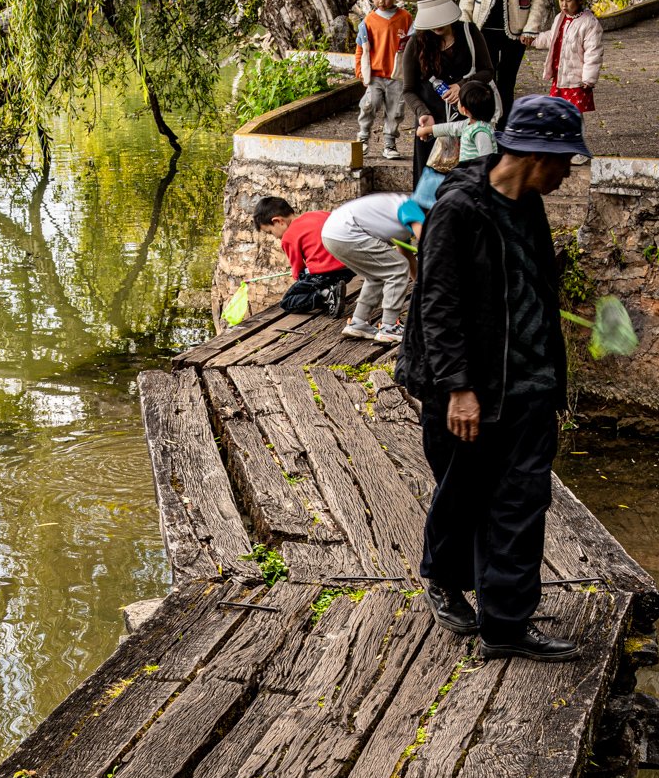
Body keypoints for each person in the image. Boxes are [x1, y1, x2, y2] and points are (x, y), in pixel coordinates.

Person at [395, 95, 592, 662]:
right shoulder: (458, 209)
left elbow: (533, 291)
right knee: (466, 496)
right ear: (536, 155)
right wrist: (458, 388)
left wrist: (552, 380)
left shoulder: (528, 201)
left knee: (522, 502)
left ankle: (505, 628)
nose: (567, 173)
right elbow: (438, 305)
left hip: (528, 385)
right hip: (469, 391)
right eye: (564, 162)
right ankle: (443, 577)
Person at [402, 0, 493, 189]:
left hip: (466, 119)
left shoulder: (469, 32)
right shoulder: (416, 43)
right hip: (431, 123)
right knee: (429, 189)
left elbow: (487, 71)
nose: (436, 26)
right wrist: (422, 113)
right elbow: (409, 89)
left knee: (465, 185)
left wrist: (462, 85)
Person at [321, 193, 426, 345]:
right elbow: (428, 244)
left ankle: (358, 322)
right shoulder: (413, 207)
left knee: (377, 274)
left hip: (332, 234)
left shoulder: (402, 215)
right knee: (397, 267)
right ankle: (389, 327)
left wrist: (423, 287)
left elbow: (408, 257)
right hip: (348, 232)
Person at [253, 196, 352, 318]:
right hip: (350, 267)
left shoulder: (288, 237)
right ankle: (331, 291)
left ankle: (326, 295)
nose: (274, 236)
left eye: (270, 232)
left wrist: (298, 276)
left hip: (326, 274)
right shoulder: (317, 214)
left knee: (288, 301)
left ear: (278, 221)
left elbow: (298, 269)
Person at [522, 0, 603, 114]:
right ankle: (562, 135)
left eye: (569, 0)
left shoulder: (589, 23)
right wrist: (534, 39)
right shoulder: (560, 18)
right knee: (558, 113)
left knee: (575, 114)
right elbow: (551, 37)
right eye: (561, 0)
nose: (564, 5)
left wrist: (588, 78)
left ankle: (577, 135)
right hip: (560, 76)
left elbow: (593, 52)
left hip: (577, 81)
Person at [355, 0, 413, 160]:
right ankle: (363, 137)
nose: (381, 1)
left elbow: (412, 46)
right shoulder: (368, 21)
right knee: (369, 104)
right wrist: (359, 70)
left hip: (397, 76)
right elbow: (360, 49)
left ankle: (389, 143)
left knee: (396, 110)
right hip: (376, 75)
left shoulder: (405, 18)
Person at [416, 76, 498, 163]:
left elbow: (487, 161)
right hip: (467, 174)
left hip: (476, 175)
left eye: (459, 99)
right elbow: (450, 128)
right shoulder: (469, 124)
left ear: (464, 109)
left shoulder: (480, 132)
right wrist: (427, 130)